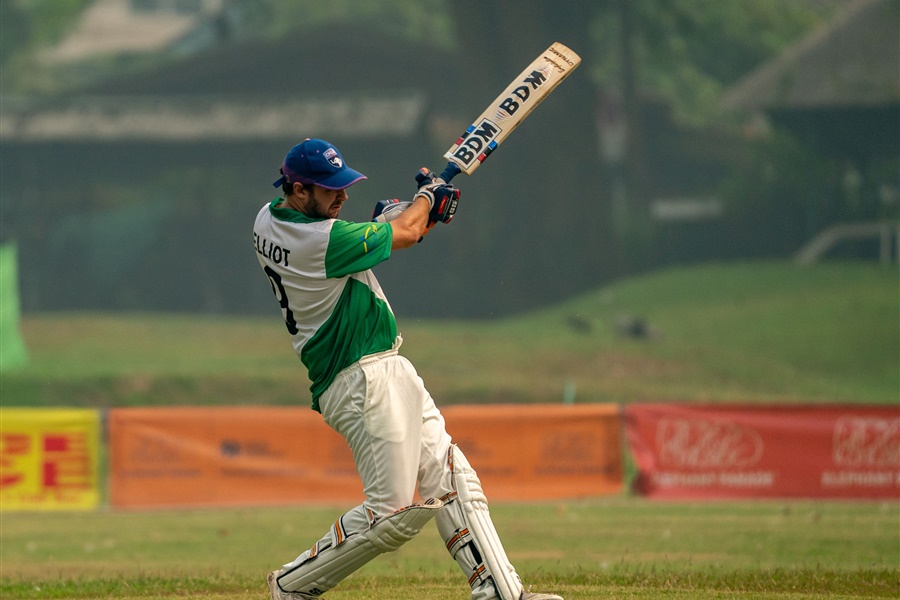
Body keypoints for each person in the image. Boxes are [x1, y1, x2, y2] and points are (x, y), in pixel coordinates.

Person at [254, 138, 563, 600]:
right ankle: (290, 586)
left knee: (453, 476)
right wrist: (424, 202)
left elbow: (386, 234)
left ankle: (501, 592)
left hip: (383, 368)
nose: (341, 197)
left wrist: (401, 217)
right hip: (361, 380)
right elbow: (405, 235)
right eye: (328, 190)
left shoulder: (269, 219)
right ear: (298, 190)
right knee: (392, 517)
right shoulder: (322, 241)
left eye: (343, 187)